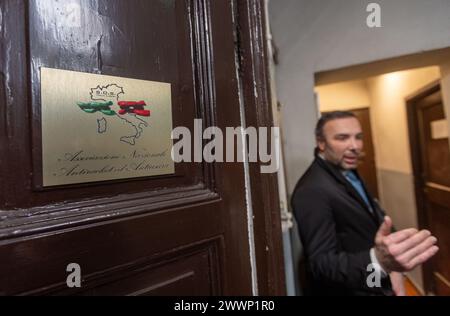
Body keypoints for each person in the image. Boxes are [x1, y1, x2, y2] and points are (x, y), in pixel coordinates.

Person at [291, 111, 439, 296]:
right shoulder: (311, 190)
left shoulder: (346, 168)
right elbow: (321, 264)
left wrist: (394, 272)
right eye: (342, 138)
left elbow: (372, 213)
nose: (355, 146)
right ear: (321, 143)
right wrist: (379, 262)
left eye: (358, 137)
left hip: (374, 281)